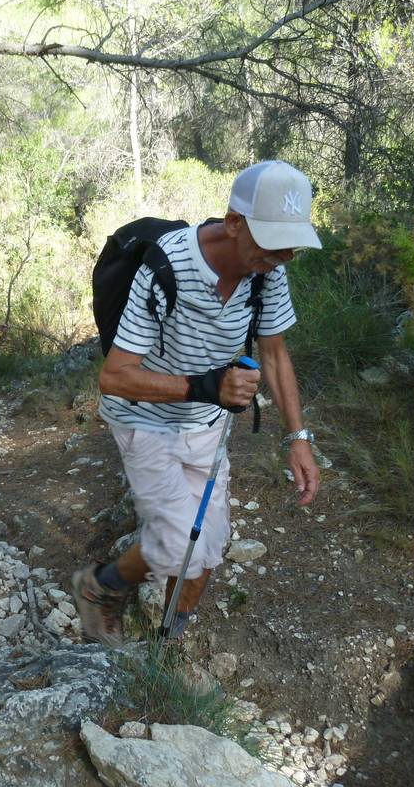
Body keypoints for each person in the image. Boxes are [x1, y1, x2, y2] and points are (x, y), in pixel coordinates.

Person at [72, 160, 323, 646]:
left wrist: (297, 438)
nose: (284, 256)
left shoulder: (267, 270)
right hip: (144, 422)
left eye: (291, 244)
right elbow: (114, 377)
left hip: (206, 427)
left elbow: (274, 353)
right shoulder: (167, 265)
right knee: (175, 545)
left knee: (206, 550)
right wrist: (204, 387)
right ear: (234, 223)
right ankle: (101, 587)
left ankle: (165, 650)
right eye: (273, 242)